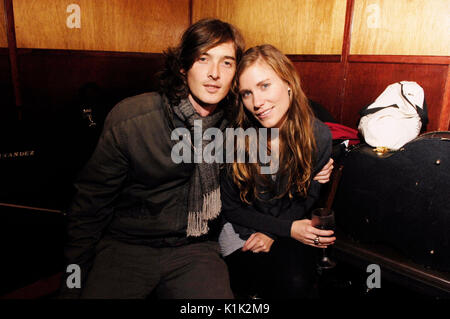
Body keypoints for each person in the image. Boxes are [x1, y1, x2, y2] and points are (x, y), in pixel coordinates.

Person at [59, 18, 244, 299]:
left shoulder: (235, 123)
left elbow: (285, 119)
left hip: (195, 248)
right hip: (126, 246)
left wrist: (314, 163)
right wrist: (72, 285)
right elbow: (89, 207)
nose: (215, 73)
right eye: (203, 59)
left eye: (227, 63)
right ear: (183, 67)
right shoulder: (132, 119)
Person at [219, 44, 336, 299]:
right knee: (248, 281)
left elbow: (307, 197)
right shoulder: (236, 138)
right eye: (247, 93)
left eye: (264, 86)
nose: (257, 103)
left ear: (288, 83)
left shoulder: (318, 136)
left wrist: (276, 232)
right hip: (243, 228)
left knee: (297, 283)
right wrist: (283, 229)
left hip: (288, 223)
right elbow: (230, 208)